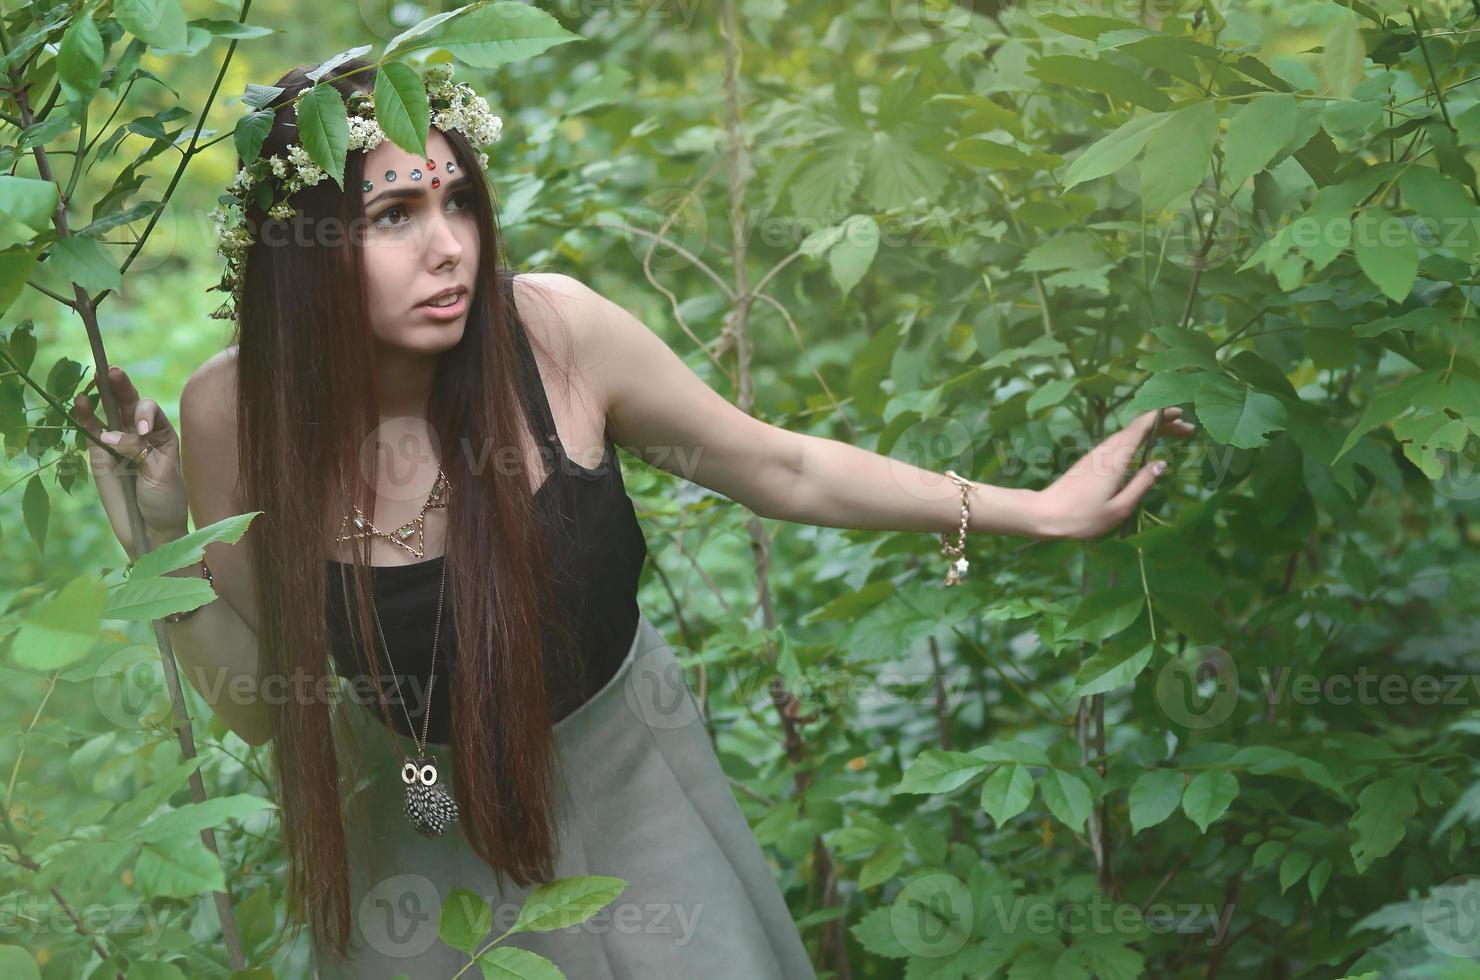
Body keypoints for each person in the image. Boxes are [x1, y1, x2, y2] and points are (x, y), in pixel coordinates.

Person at [73, 56, 1198, 979]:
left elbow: (783, 466)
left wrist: (1033, 509)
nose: (448, 245)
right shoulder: (235, 412)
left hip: (619, 769)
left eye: (459, 198)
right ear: (304, 252)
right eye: (394, 214)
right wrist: (157, 539)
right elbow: (269, 708)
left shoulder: (553, 334)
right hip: (413, 816)